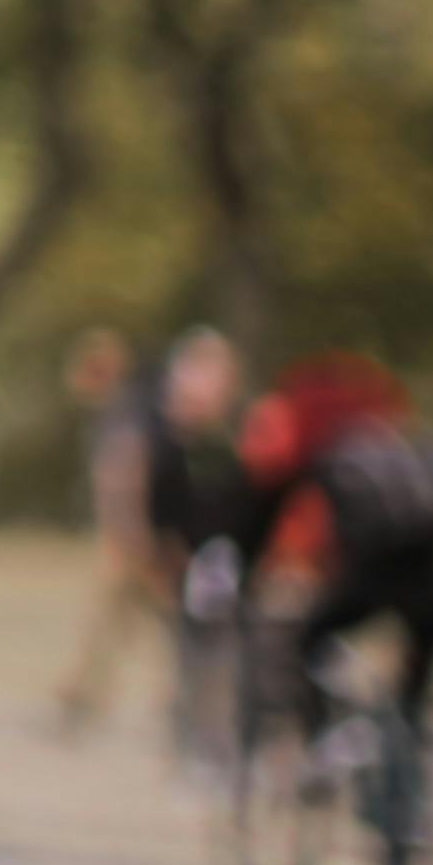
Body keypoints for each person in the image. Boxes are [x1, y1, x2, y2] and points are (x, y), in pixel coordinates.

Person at [234, 355, 433, 801]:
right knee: (410, 701)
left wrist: (244, 569)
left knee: (306, 641)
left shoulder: (330, 451)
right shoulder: (410, 444)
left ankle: (326, 745)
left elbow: (270, 510)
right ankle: (415, 810)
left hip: (372, 579)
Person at [137, 329, 258, 769]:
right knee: (189, 658)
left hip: (227, 564)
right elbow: (156, 504)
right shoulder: (169, 438)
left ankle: (218, 746)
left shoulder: (234, 439)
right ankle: (188, 747)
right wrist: (162, 554)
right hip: (183, 560)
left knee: (227, 659)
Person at [50, 328, 155, 739]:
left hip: (124, 536)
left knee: (125, 617)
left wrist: (129, 532)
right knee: (120, 619)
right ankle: (86, 692)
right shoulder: (122, 413)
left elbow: (124, 478)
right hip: (122, 534)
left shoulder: (122, 416)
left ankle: (82, 691)